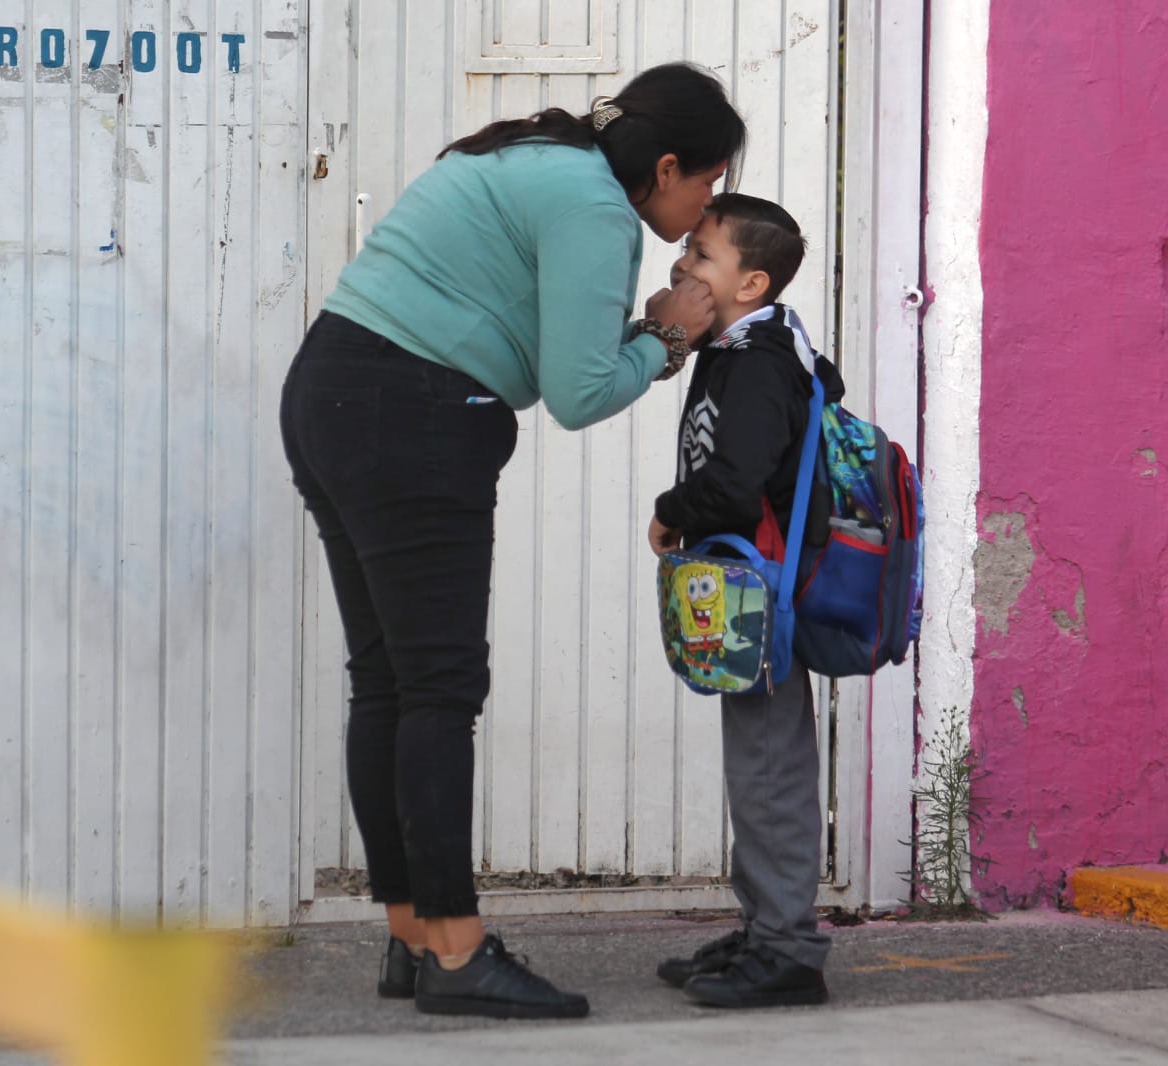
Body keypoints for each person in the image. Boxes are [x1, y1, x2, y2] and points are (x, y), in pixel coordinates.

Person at [279, 63, 745, 1020]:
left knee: (392, 679)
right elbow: (576, 395)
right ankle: (457, 952)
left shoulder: (539, 156)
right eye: (709, 182)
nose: (709, 204)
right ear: (665, 165)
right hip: (414, 418)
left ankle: (412, 935)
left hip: (334, 388)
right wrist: (670, 340)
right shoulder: (596, 207)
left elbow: (546, 348)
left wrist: (643, 333)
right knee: (442, 687)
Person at [647, 193, 845, 1009]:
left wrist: (672, 511)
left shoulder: (760, 361)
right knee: (756, 760)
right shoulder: (739, 345)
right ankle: (767, 927)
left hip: (765, 588)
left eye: (701, 255)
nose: (682, 263)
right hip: (746, 588)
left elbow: (734, 482)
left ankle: (788, 949)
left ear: (751, 283)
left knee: (768, 767)